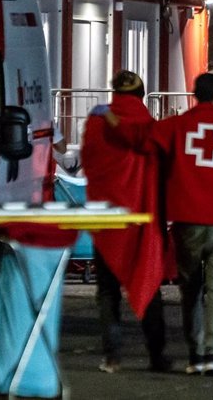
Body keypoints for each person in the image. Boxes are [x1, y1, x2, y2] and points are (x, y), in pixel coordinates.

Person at [92, 72, 213, 377]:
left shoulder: (175, 127)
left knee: (190, 288)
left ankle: (194, 354)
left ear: (193, 94)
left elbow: (138, 140)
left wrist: (109, 119)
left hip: (187, 220)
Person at [81, 70, 171, 374]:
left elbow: (88, 163)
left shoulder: (96, 123)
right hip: (140, 221)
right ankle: (156, 356)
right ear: (141, 95)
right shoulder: (151, 129)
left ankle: (112, 356)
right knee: (149, 284)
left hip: (106, 219)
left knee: (107, 291)